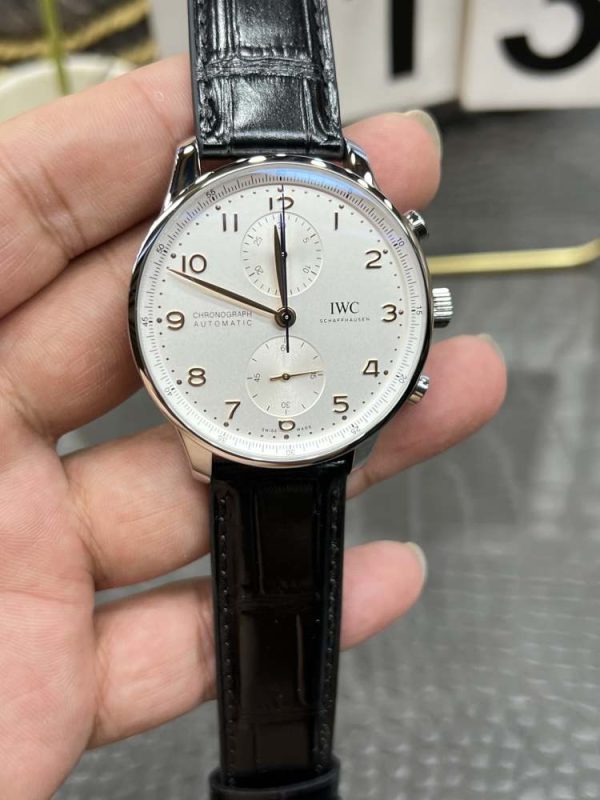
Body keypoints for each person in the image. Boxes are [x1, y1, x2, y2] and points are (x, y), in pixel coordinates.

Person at [0, 55, 506, 799]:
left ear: (425, 308)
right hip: (234, 434)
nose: (283, 316)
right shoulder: (213, 222)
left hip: (303, 430)